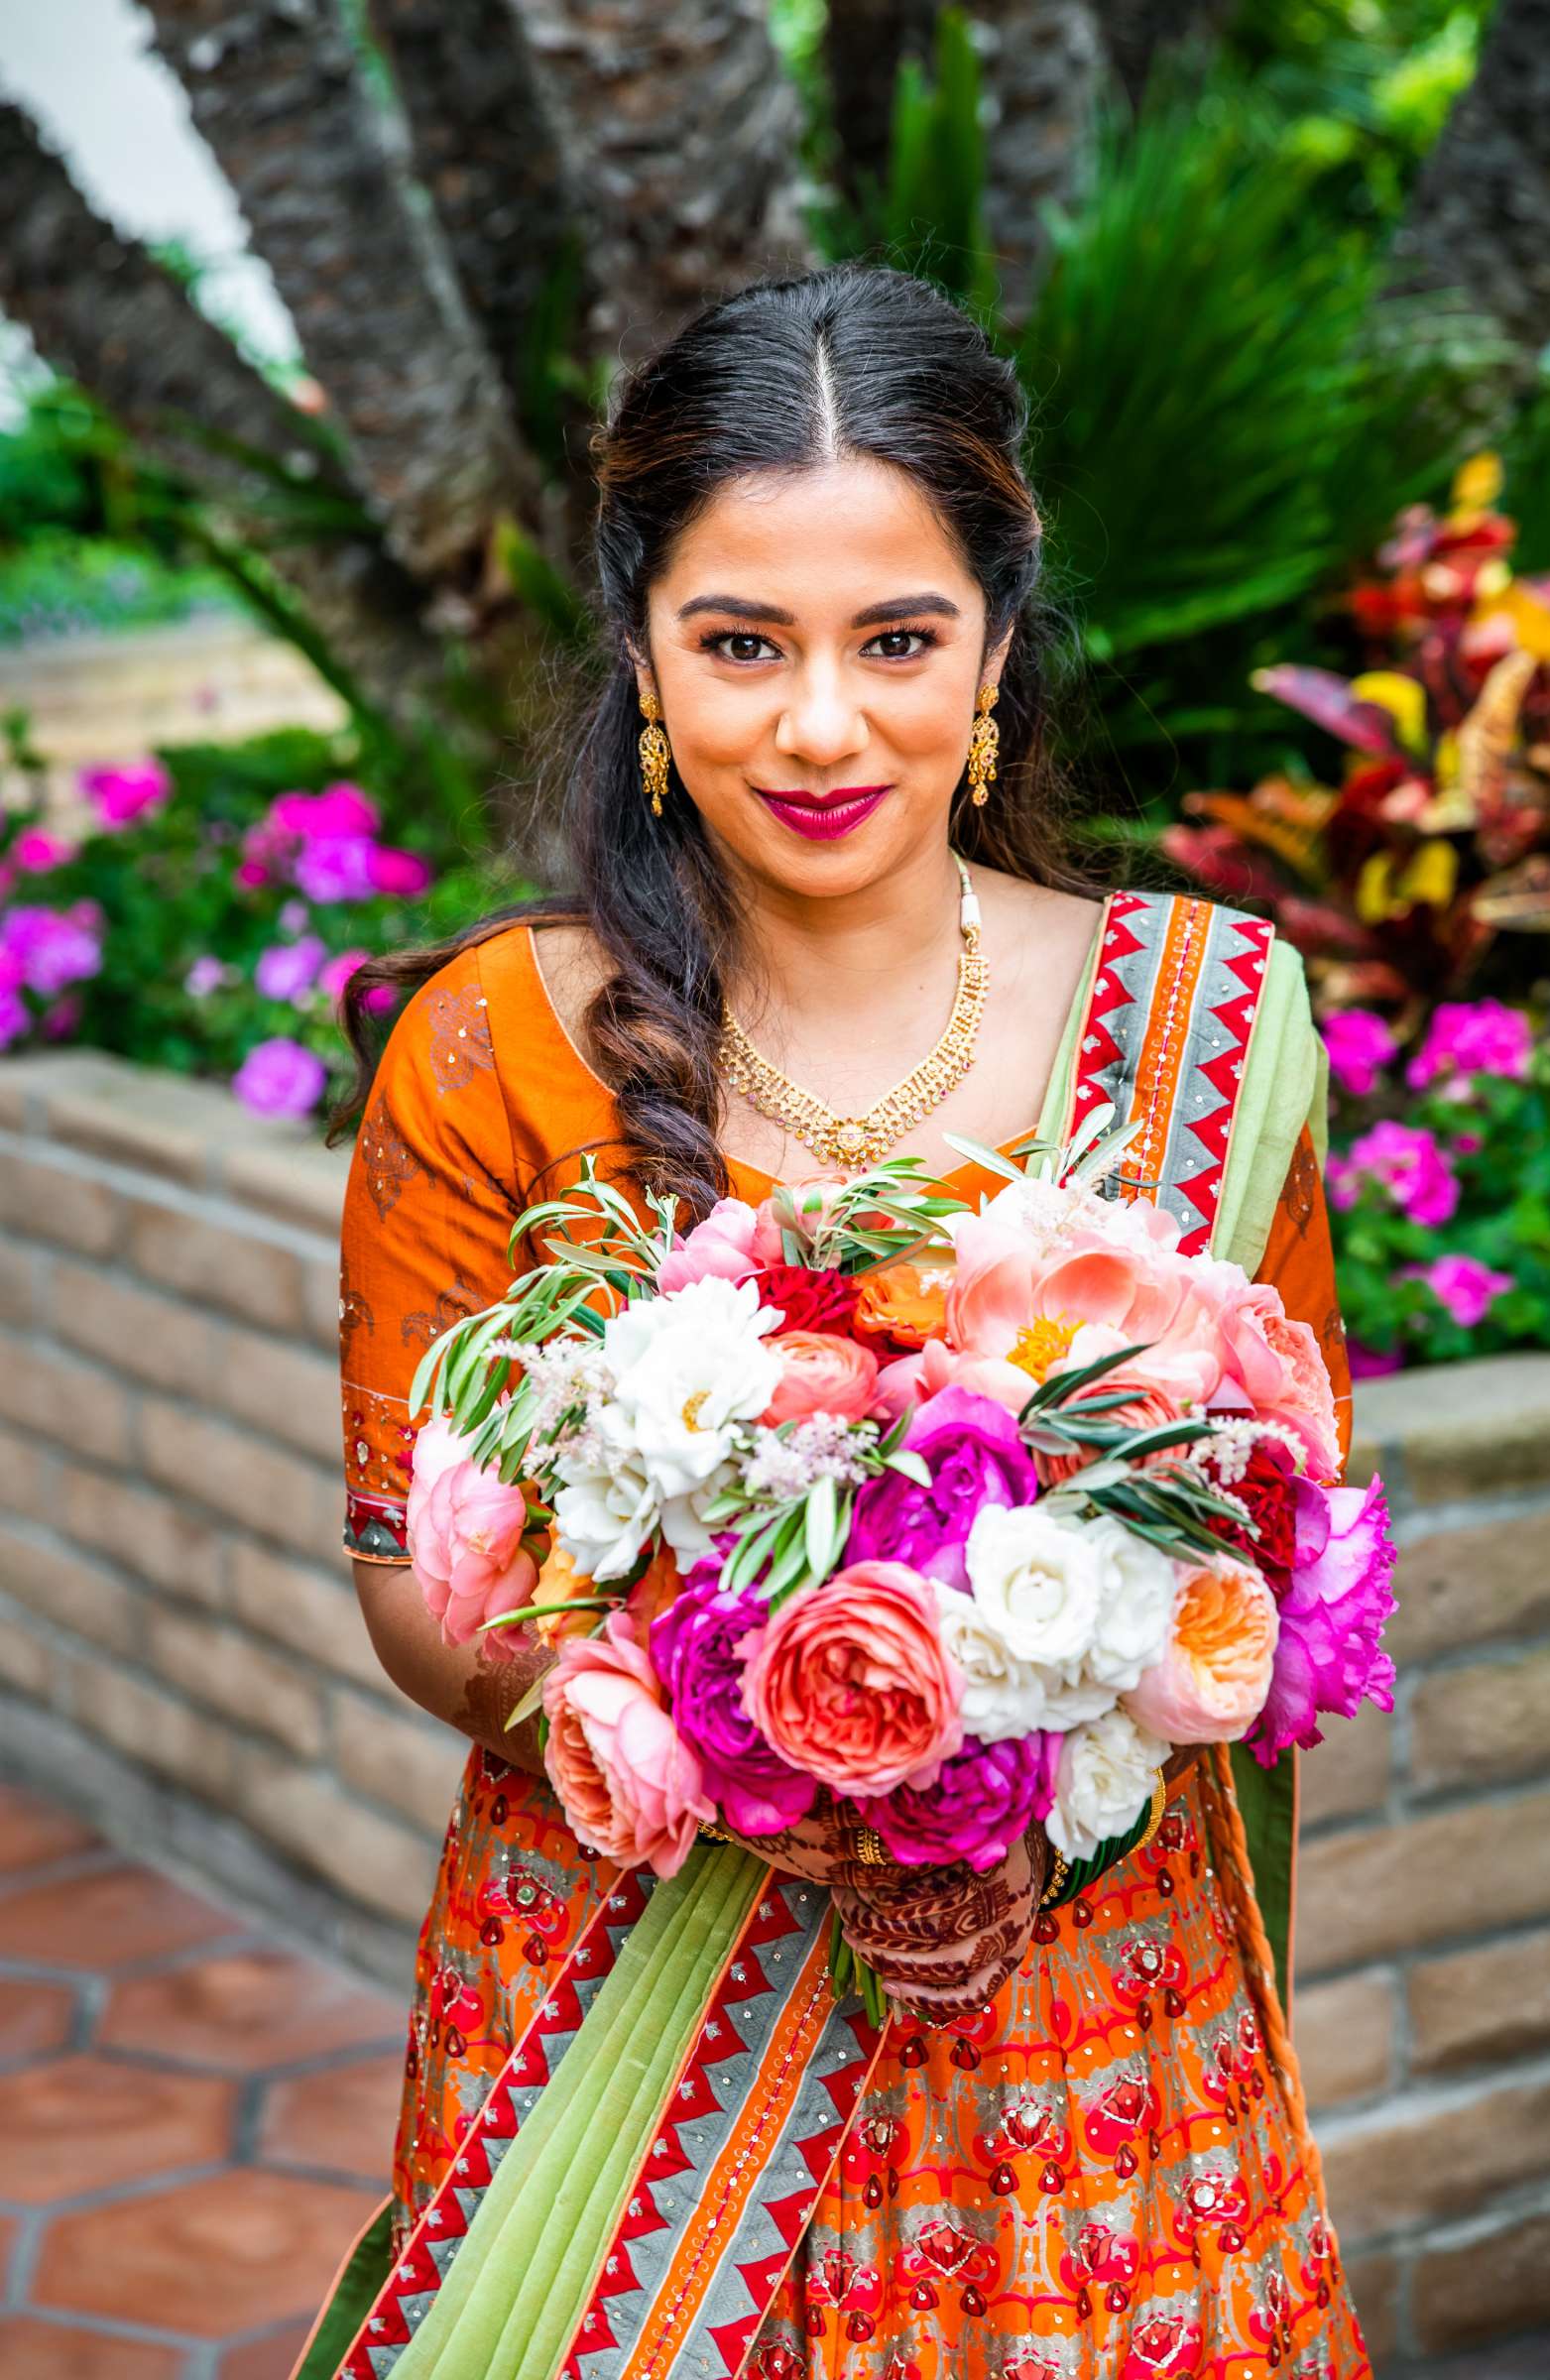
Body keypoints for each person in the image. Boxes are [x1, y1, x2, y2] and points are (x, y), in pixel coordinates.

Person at [313, 263, 1370, 2379]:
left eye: (895, 641)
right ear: (640, 658)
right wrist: (782, 1750)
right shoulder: (495, 1049)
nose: (819, 726)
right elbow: (403, 1587)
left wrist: (1044, 1687)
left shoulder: (1206, 1028)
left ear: (992, 642)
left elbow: (1281, 1530)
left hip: (1080, 2057)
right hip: (630, 2037)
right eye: (738, 646)